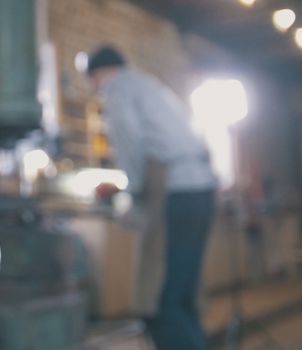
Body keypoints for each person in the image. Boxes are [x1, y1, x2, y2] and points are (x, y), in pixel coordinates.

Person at [86, 46, 217, 350]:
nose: (94, 88)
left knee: (161, 305)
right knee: (184, 296)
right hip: (202, 191)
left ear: (99, 73)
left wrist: (131, 193)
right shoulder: (150, 85)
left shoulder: (118, 90)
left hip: (175, 195)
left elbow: (130, 145)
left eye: (92, 80)